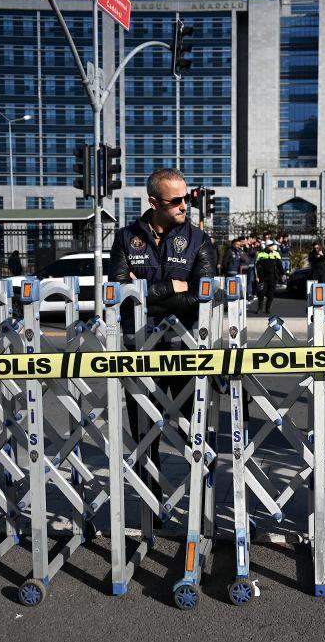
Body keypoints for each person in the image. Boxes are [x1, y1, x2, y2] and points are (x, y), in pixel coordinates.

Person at [109, 168, 216, 521]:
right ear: (154, 202)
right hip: (140, 349)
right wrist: (173, 287)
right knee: (145, 434)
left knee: (194, 433)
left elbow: (202, 299)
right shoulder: (126, 239)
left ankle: (201, 511)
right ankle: (150, 512)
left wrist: (147, 293)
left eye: (188, 198)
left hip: (186, 350)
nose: (185, 205)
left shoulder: (199, 240)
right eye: (177, 200)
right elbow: (122, 299)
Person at [255, 239, 282, 314]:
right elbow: (256, 266)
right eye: (271, 245)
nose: (272, 246)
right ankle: (259, 308)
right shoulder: (260, 254)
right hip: (263, 277)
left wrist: (283, 274)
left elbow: (279, 265)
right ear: (267, 246)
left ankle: (268, 309)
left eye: (272, 245)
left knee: (271, 294)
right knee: (262, 293)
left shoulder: (276, 254)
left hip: (273, 277)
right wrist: (257, 276)